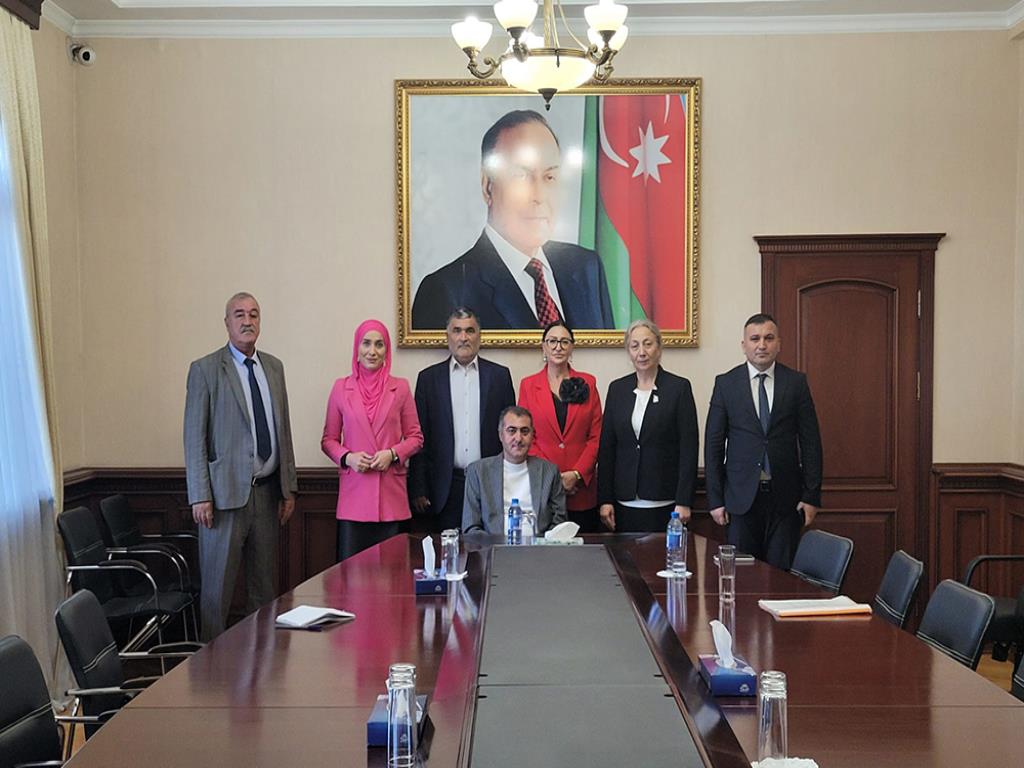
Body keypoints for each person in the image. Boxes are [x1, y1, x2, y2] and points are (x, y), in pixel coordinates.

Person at [411, 109, 614, 330]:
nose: (539, 196)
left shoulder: (587, 268)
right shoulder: (446, 291)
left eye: (549, 177)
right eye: (521, 176)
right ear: (488, 186)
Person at [183, 292, 297, 641]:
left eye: (254, 314)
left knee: (264, 590)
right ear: (227, 323)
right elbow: (194, 437)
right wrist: (199, 495)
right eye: (239, 314)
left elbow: (283, 430)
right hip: (222, 500)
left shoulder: (274, 367)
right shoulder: (205, 369)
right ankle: (211, 664)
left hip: (266, 495)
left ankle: (260, 660)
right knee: (217, 593)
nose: (247, 321)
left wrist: (288, 487)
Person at [704, 313, 823, 570]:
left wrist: (811, 495)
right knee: (743, 575)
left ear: (779, 343)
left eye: (768, 338)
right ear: (743, 345)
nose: (762, 345)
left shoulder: (796, 383)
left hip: (786, 499)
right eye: (755, 339)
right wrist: (715, 499)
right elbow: (713, 445)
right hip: (740, 499)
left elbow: (811, 442)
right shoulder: (726, 384)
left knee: (782, 576)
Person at [321, 320, 424, 561]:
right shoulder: (341, 388)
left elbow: (416, 437)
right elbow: (328, 440)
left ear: (386, 351)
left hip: (391, 501)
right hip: (354, 500)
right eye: (366, 343)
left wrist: (393, 454)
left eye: (379, 344)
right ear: (357, 349)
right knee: (352, 575)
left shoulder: (400, 388)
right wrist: (348, 458)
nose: (372, 351)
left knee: (392, 574)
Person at [408, 307, 516, 532]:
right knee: (448, 551)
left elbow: (510, 435)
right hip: (445, 487)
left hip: (489, 484)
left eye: (470, 331)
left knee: (488, 550)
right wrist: (419, 488)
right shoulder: (429, 379)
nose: (463, 337)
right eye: (457, 330)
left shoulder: (499, 376)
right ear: (447, 335)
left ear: (479, 335)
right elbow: (420, 436)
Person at [598, 319, 699, 533]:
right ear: (628, 351)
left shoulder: (678, 388)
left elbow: (689, 449)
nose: (641, 352)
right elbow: (607, 448)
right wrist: (605, 499)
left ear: (659, 348)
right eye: (634, 346)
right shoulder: (617, 389)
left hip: (666, 501)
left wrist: (684, 500)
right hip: (624, 502)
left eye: (648, 344)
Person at [517, 321, 603, 532]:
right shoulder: (528, 385)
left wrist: (576, 474)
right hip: (543, 488)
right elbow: (526, 436)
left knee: (583, 548)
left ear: (572, 347)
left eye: (564, 342)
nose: (558, 347)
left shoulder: (588, 382)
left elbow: (596, 435)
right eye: (552, 341)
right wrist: (554, 478)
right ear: (543, 347)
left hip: (581, 490)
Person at [462, 406, 567, 536]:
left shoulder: (549, 472)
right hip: (493, 546)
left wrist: (544, 543)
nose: (518, 438)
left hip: (539, 545)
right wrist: (492, 546)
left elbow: (560, 522)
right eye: (511, 431)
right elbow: (471, 527)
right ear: (501, 435)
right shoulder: (478, 472)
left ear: (532, 436)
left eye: (525, 431)